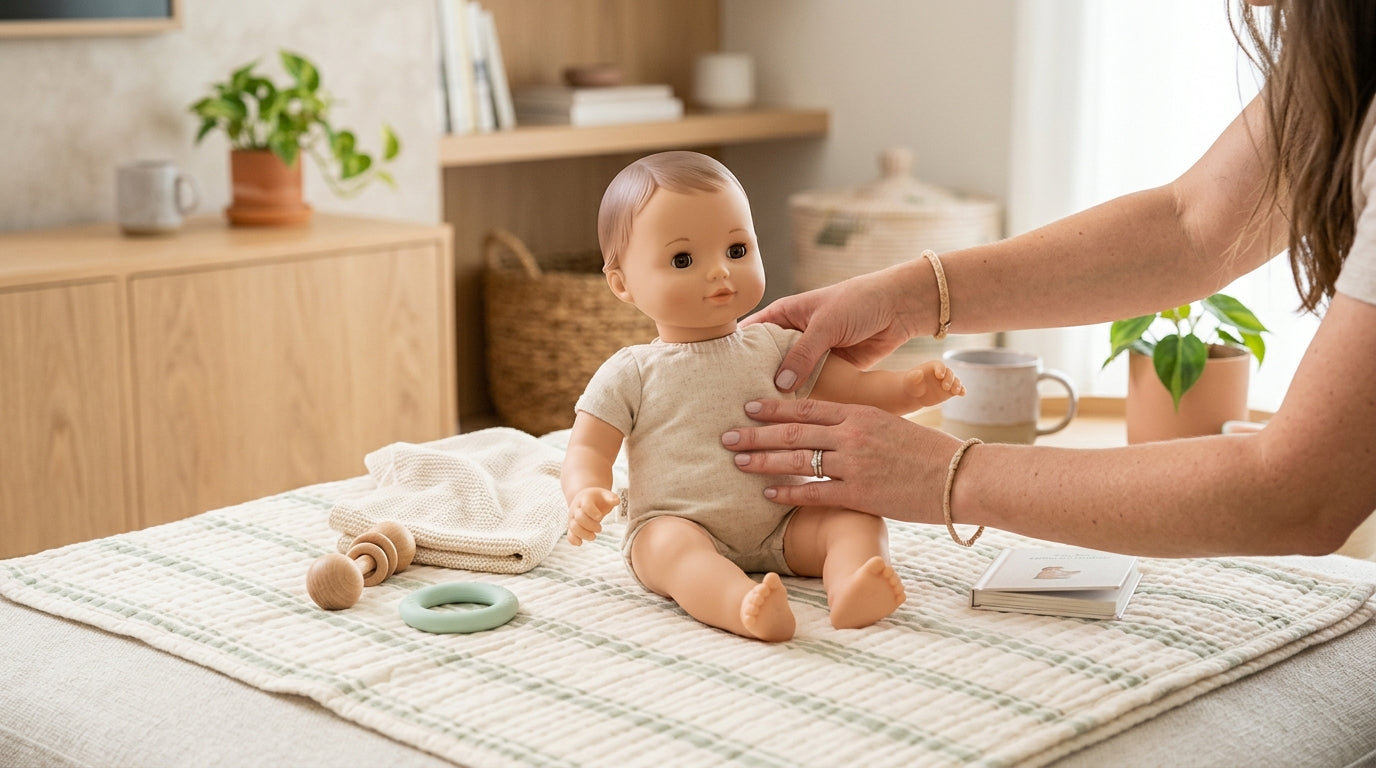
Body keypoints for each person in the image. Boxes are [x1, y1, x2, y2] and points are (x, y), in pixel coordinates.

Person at [720, 0, 1376, 558]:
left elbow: (1301, 491)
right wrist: (908, 297)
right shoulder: (1345, 57)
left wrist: (939, 473)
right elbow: (1192, 225)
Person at [561, 151, 965, 642]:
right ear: (622, 283)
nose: (719, 272)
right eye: (683, 259)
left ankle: (853, 584)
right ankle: (741, 606)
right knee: (671, 553)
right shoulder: (632, 371)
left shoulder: (777, 345)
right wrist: (585, 492)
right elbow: (587, 447)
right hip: (678, 522)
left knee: (853, 517)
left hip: (785, 519)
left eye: (736, 250)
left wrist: (909, 388)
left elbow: (854, 393)